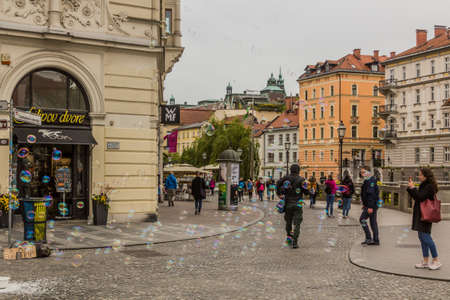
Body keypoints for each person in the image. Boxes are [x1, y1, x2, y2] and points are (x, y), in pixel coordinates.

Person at [407, 168, 442, 270]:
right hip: (421, 214)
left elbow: (420, 197)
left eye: (421, 175)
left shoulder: (429, 187)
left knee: (426, 237)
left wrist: (413, 188)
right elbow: (417, 197)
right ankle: (425, 261)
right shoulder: (424, 185)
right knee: (422, 238)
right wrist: (411, 188)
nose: (419, 176)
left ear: (426, 176)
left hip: (426, 214)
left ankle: (436, 260)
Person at [276, 164, 309, 249]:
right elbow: (306, 192)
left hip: (288, 203)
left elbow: (278, 184)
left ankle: (289, 237)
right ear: (298, 170)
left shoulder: (286, 178)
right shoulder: (302, 179)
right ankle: (295, 242)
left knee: (288, 222)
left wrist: (279, 194)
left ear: (290, 170)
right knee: (297, 224)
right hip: (298, 203)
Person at [359, 167, 380, 246]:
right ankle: (375, 240)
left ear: (368, 172)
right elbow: (365, 194)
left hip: (371, 206)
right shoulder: (368, 180)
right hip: (370, 205)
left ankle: (369, 238)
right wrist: (364, 204)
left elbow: (371, 195)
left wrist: (370, 207)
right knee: (373, 222)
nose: (362, 174)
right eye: (361, 172)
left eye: (364, 172)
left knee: (362, 219)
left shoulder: (371, 180)